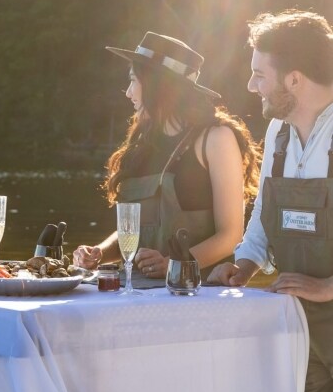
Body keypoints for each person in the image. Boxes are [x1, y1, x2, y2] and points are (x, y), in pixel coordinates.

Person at [208, 9, 333, 392]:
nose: (250, 85)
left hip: (321, 300)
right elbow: (265, 211)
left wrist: (328, 287)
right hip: (300, 323)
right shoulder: (278, 130)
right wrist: (244, 265)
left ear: (294, 79)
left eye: (260, 75)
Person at [73, 32, 259, 279]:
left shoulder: (216, 138)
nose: (128, 92)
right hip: (138, 291)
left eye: (133, 81)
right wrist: (98, 253)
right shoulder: (143, 142)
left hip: (199, 292)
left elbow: (230, 236)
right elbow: (134, 232)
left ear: (158, 85)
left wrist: (174, 264)